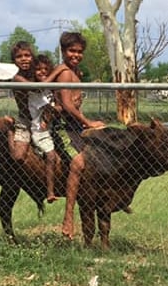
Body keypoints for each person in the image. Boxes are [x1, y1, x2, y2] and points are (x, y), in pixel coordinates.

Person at [55, 32, 106, 239]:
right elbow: (67, 105)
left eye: (79, 51)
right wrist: (88, 122)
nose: (76, 55)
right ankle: (68, 217)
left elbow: (76, 105)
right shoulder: (66, 73)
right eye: (71, 51)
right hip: (62, 128)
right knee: (78, 163)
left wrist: (90, 123)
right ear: (63, 51)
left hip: (75, 126)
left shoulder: (77, 72)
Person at [29, 54, 60, 203]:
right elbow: (49, 110)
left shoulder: (49, 89)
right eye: (38, 69)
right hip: (40, 132)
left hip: (52, 130)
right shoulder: (34, 92)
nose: (42, 72)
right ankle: (50, 191)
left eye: (46, 69)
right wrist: (61, 107)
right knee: (51, 155)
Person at [9, 41, 36, 163]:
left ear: (32, 57)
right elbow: (34, 88)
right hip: (26, 121)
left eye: (27, 55)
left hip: (43, 121)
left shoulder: (38, 74)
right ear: (14, 60)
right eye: (19, 56)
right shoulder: (17, 78)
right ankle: (10, 130)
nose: (24, 59)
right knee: (18, 156)